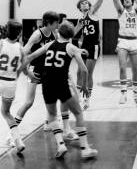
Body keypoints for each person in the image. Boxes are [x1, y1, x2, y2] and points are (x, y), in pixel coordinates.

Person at [20, 21, 98, 159]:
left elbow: (30, 56)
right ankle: (85, 148)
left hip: (46, 84)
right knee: (79, 113)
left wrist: (23, 71)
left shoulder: (50, 44)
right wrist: (85, 86)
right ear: (71, 35)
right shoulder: (71, 47)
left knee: (52, 115)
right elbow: (84, 71)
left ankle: (60, 144)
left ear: (58, 32)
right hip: (61, 84)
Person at [12, 11, 78, 142]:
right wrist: (27, 71)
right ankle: (12, 134)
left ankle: (63, 129)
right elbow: (23, 53)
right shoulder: (37, 34)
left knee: (61, 97)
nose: (58, 25)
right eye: (57, 22)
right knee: (29, 102)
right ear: (49, 23)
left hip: (48, 71)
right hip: (35, 69)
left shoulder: (54, 33)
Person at [75, 0, 118, 110]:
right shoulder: (80, 20)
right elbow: (74, 34)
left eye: (87, 2)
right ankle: (77, 97)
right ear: (79, 7)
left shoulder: (92, 12)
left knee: (87, 72)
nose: (85, 4)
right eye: (82, 3)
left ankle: (87, 99)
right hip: (84, 46)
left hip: (93, 46)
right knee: (78, 72)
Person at [0, 20, 38, 154]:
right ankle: (18, 141)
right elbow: (25, 68)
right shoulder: (20, 48)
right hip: (10, 83)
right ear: (19, 33)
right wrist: (32, 76)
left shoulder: (1, 43)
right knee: (6, 113)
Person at [113, 0, 137, 107]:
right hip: (123, 41)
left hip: (133, 42)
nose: (126, 0)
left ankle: (136, 95)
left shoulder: (136, 11)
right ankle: (123, 92)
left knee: (135, 69)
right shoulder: (121, 11)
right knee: (122, 67)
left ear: (131, 1)